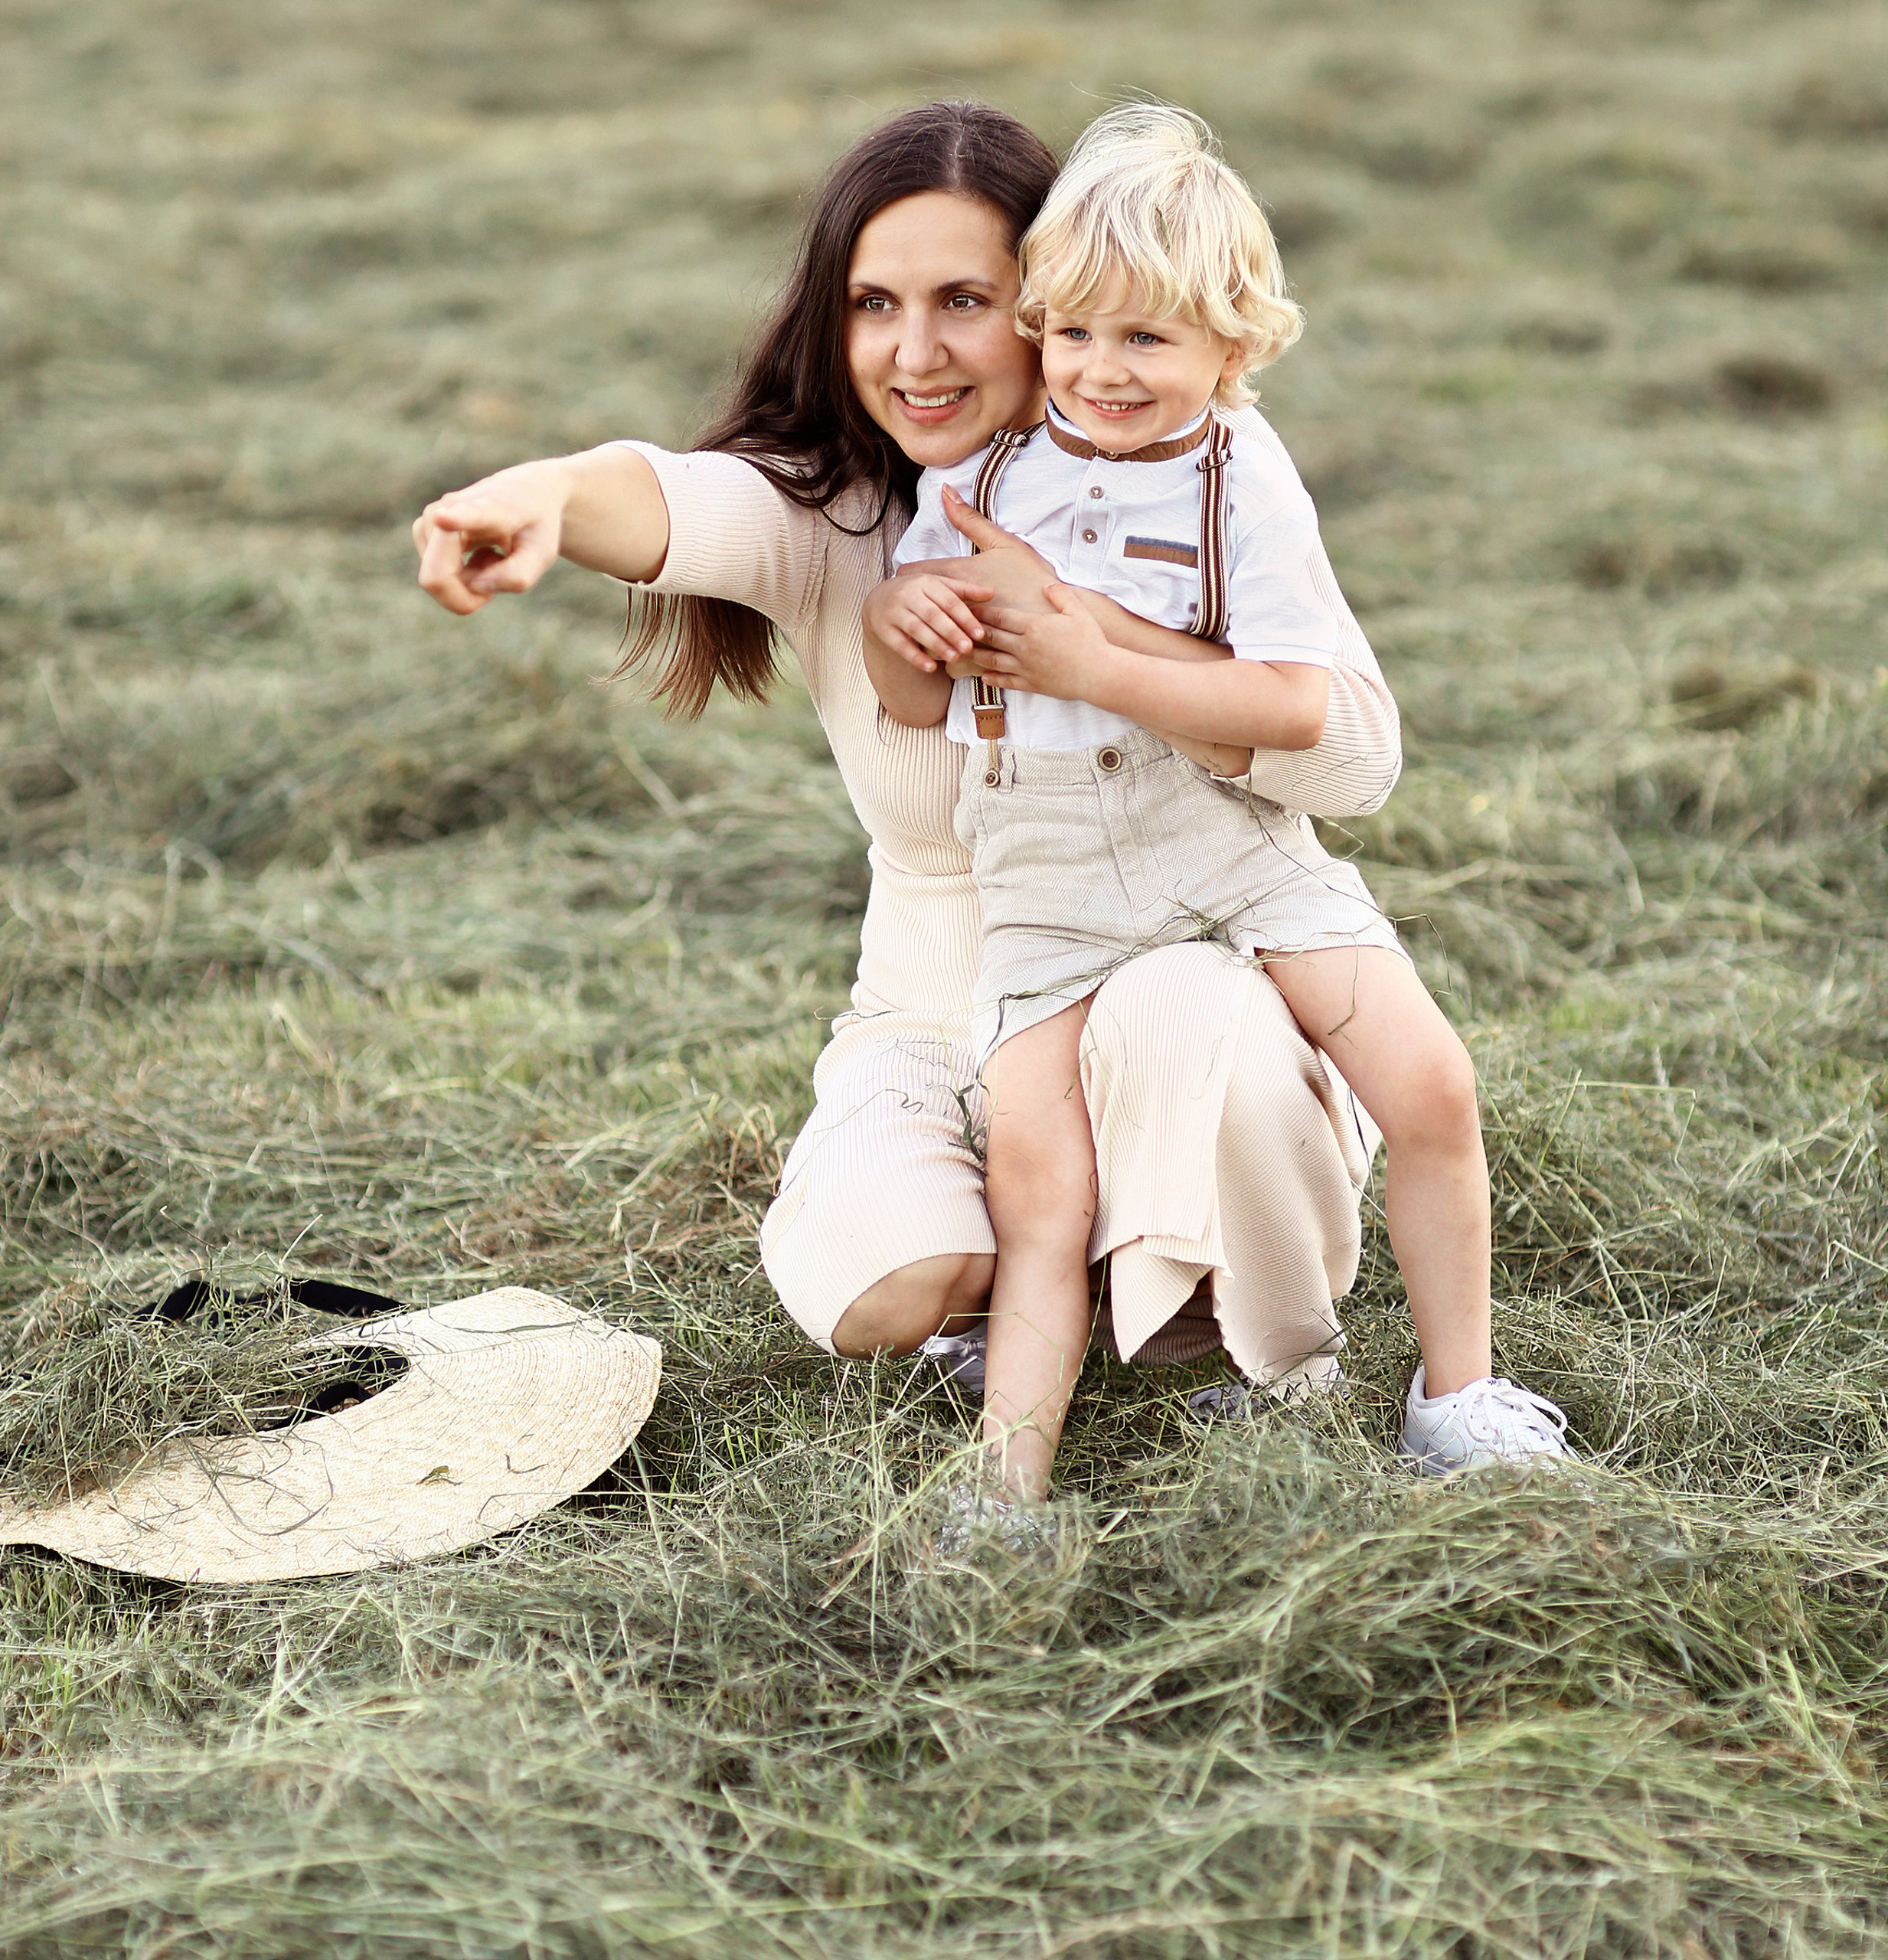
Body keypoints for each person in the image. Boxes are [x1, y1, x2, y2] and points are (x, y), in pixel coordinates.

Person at [412, 102, 1407, 1514]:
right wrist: (537, 495)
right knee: (894, 1282)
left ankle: (1240, 1319)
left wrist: (1100, 650)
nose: (915, 351)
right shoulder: (842, 518)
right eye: (874, 304)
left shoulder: (1198, 476)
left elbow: (1353, 756)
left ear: (1056, 302)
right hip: (939, 1016)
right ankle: (1043, 1265)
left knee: (1178, 1013)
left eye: (965, 302)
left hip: (1187, 976)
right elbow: (672, 494)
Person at [862, 105, 1573, 1498]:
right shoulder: (983, 474)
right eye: (1073, 334)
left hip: (1226, 836)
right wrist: (902, 614)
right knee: (1039, 1188)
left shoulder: (1241, 473)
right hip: (1044, 856)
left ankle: (1459, 1392)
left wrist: (1096, 659)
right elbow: (915, 695)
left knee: (1433, 1084)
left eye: (1149, 340)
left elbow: (1298, 709)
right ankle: (1008, 1499)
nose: (1102, 373)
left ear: (1231, 350)